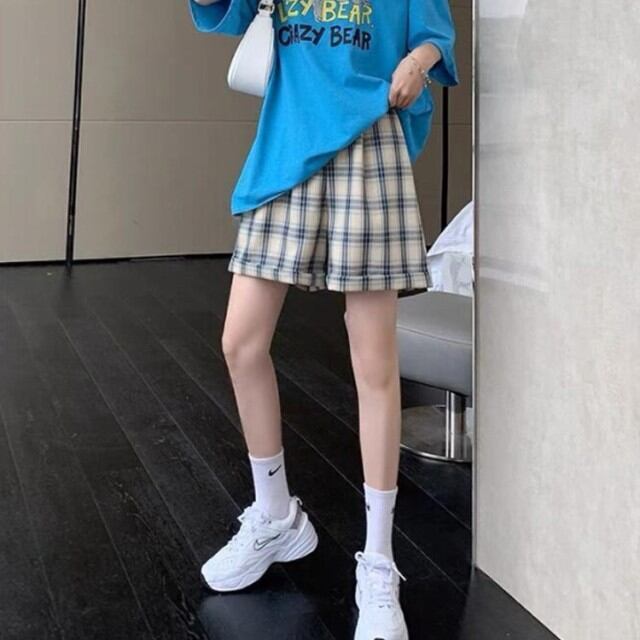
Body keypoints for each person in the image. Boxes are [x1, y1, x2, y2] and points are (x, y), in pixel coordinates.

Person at [188, 1, 458, 638]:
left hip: (371, 144)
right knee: (240, 343)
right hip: (288, 146)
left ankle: (380, 562)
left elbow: (437, 36)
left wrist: (418, 61)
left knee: (375, 365)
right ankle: (276, 515)